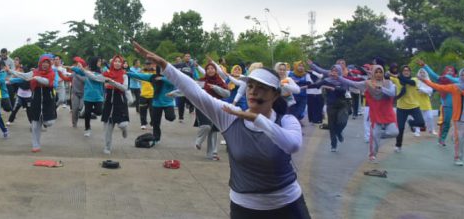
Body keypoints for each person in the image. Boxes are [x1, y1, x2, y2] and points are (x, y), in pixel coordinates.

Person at [133, 41, 309, 218]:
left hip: (288, 205)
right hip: (245, 208)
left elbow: (292, 145)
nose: (253, 92)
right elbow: (195, 91)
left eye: (261, 88)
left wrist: (257, 119)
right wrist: (165, 65)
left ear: (275, 94)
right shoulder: (230, 116)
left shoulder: (286, 120)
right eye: (250, 86)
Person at [421, 68, 464, 166]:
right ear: (459, 77)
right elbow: (438, 87)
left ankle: (457, 136)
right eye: (462, 75)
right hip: (459, 118)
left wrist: (463, 92)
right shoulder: (455, 87)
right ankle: (458, 158)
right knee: (460, 140)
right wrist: (425, 80)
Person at [341, 65, 398, 162]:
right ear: (373, 73)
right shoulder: (367, 83)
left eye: (380, 72)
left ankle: (378, 135)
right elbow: (352, 83)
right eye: (376, 72)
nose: (378, 74)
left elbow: (392, 93)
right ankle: (372, 154)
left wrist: (381, 88)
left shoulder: (389, 83)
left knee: (394, 132)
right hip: (376, 114)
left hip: (388, 113)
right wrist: (338, 77)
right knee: (375, 136)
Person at [8, 55, 56, 152]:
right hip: (36, 99)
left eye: (47, 62)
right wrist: (10, 71)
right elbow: (23, 75)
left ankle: (45, 121)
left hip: (48, 100)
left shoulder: (51, 73)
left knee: (49, 122)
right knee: (35, 125)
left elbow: (47, 82)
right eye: (43, 62)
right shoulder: (34, 72)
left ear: (49, 64)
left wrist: (36, 78)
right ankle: (36, 145)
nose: (45, 64)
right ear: (40, 63)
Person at [127, 63, 176, 142]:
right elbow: (139, 76)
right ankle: (156, 138)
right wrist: (126, 73)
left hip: (168, 103)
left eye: (164, 69)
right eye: (160, 69)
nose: (162, 71)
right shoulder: (153, 77)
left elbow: (173, 82)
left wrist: (162, 78)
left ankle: (171, 116)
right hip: (156, 103)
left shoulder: (171, 78)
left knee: (170, 117)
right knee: (155, 122)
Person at [99, 55, 131, 155]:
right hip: (108, 103)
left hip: (120, 103)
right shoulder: (107, 73)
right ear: (112, 63)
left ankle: (124, 129)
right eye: (115, 61)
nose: (117, 63)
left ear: (122, 64)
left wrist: (112, 82)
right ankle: (107, 147)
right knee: (108, 128)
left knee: (123, 124)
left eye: (119, 62)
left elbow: (124, 88)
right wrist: (83, 71)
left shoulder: (124, 75)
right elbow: (96, 77)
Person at [391, 65, 427, 152]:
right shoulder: (397, 80)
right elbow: (386, 77)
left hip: (413, 106)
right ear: (402, 72)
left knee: (421, 123)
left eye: (408, 70)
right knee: (400, 128)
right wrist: (388, 74)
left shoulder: (414, 80)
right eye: (404, 71)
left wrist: (398, 76)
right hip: (401, 108)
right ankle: (398, 145)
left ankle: (410, 122)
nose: (406, 72)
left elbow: (409, 82)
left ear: (410, 72)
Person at [71, 56, 105, 138]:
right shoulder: (86, 72)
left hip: (98, 97)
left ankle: (88, 112)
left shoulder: (101, 73)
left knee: (99, 111)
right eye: (99, 61)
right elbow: (79, 71)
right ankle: (87, 129)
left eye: (100, 61)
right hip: (88, 96)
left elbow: (95, 77)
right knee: (87, 114)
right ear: (94, 63)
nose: (100, 63)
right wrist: (73, 68)